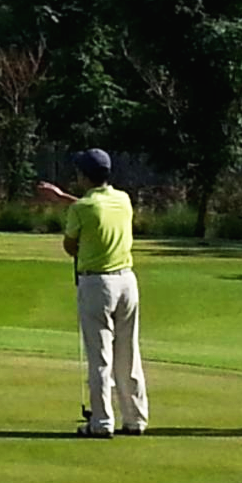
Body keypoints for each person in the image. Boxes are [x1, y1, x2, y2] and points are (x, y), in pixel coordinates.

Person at [37, 149, 149, 438]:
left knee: (100, 356)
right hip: (127, 282)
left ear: (84, 175)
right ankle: (135, 418)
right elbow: (94, 208)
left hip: (97, 284)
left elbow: (70, 246)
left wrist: (65, 205)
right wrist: (63, 198)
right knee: (128, 353)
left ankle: (101, 422)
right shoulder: (122, 199)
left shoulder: (81, 209)